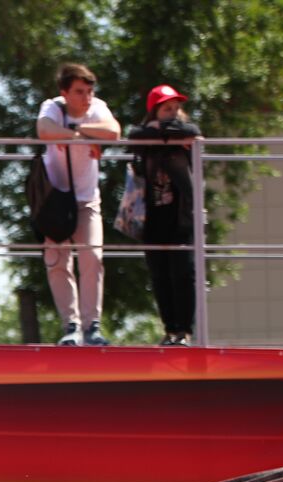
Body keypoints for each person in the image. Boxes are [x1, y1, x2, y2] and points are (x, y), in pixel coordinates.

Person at [35, 62, 120, 346]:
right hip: (55, 200)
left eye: (89, 91)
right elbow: (44, 129)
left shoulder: (97, 107)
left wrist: (76, 132)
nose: (86, 98)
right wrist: (78, 136)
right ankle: (70, 325)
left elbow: (113, 131)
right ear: (65, 93)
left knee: (92, 257)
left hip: (87, 199)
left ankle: (91, 326)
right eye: (80, 92)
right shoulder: (53, 107)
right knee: (58, 262)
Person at [128, 84, 203, 346]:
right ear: (154, 112)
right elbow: (133, 136)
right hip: (152, 217)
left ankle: (184, 330)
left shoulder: (184, 132)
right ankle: (170, 329)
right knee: (159, 274)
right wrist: (156, 134)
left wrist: (168, 134)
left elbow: (193, 132)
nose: (173, 113)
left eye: (175, 108)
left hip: (180, 215)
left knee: (183, 272)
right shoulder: (146, 135)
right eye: (166, 109)